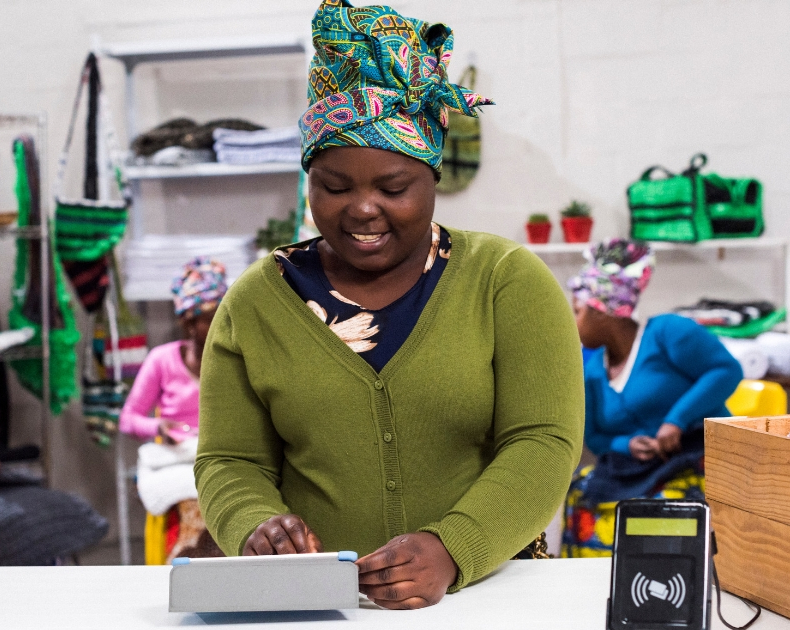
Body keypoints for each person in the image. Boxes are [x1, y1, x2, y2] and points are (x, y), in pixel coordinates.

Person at [194, 0, 584, 610]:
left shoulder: (504, 281)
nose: (362, 209)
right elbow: (229, 459)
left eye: (393, 187)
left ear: (431, 178)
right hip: (321, 608)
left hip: (487, 598)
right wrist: (254, 524)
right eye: (334, 186)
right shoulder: (258, 302)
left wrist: (452, 548)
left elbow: (542, 441)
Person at [560, 239, 743, 557]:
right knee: (581, 491)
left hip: (698, 457)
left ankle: (664, 579)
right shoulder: (591, 370)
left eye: (577, 312)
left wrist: (676, 421)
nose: (572, 323)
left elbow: (726, 371)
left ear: (602, 311)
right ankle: (595, 579)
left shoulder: (666, 333)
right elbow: (596, 438)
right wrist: (627, 444)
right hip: (638, 466)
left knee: (664, 506)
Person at [119, 257, 227, 561]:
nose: (220, 324)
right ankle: (182, 568)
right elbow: (128, 419)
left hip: (221, 456)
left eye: (224, 315)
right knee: (194, 502)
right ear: (189, 322)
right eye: (210, 317)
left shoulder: (235, 360)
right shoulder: (162, 360)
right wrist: (159, 427)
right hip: (177, 457)